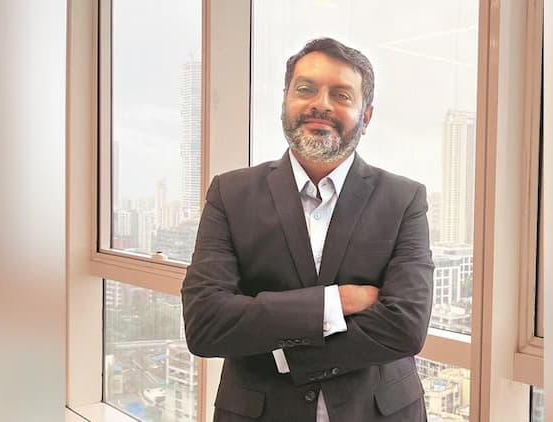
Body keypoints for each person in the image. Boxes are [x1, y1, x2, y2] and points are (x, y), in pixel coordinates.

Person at [181, 37, 434, 422]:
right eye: (305, 89)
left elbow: (406, 326)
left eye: (341, 95)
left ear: (365, 117)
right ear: (285, 101)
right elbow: (206, 323)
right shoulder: (230, 194)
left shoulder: (404, 199)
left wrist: (285, 352)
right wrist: (335, 303)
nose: (321, 104)